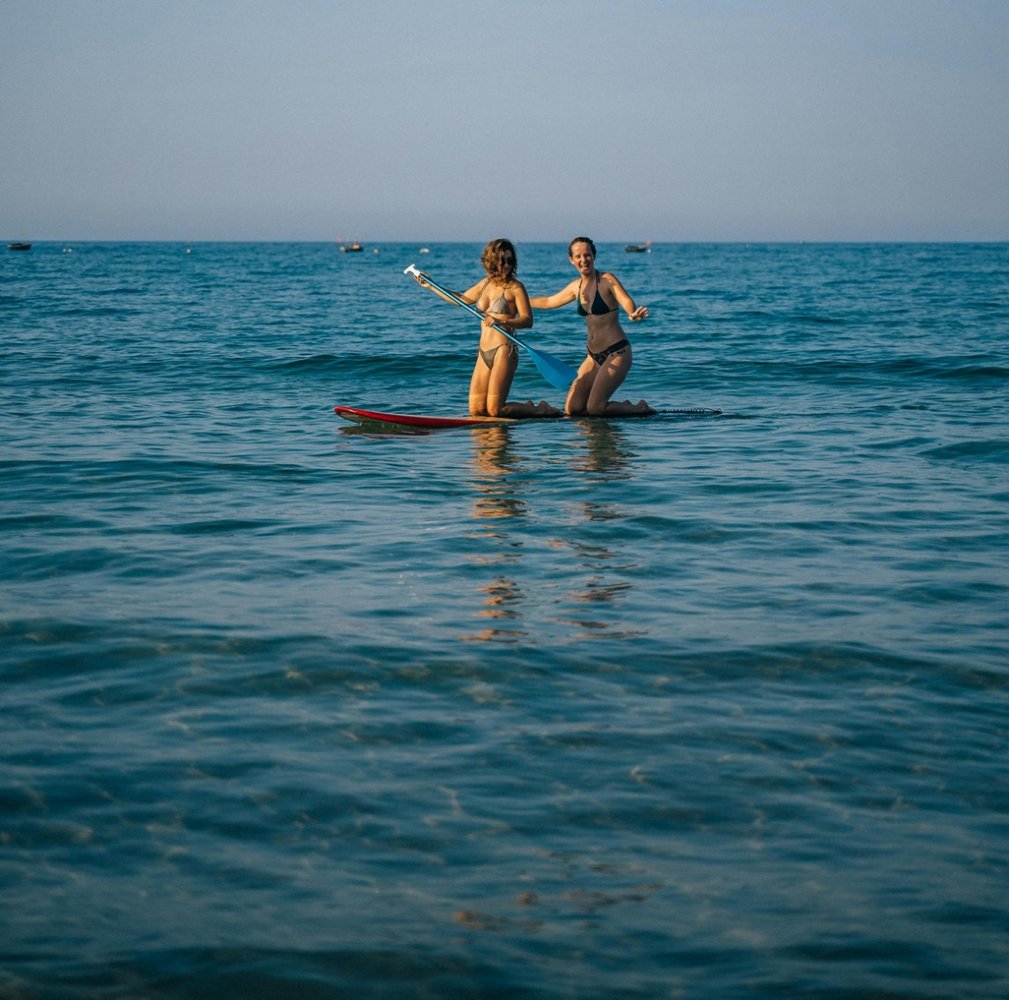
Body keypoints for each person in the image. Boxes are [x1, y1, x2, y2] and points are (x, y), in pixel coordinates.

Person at [413, 239, 560, 418]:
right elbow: (461, 299)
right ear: (491, 261)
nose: (506, 265)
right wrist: (431, 285)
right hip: (483, 351)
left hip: (504, 349)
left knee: (494, 410)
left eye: (510, 260)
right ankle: (526, 407)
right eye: (502, 260)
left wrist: (502, 321)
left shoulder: (516, 287)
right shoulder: (485, 284)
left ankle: (540, 409)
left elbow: (527, 321)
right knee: (476, 411)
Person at [530, 237, 654, 416]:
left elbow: (625, 300)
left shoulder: (606, 280)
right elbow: (549, 301)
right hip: (593, 357)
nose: (583, 260)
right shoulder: (576, 287)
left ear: (594, 256)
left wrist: (632, 312)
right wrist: (518, 302)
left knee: (595, 408)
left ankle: (639, 407)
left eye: (587, 255)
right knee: (572, 410)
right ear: (571, 260)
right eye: (578, 256)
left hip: (617, 353)